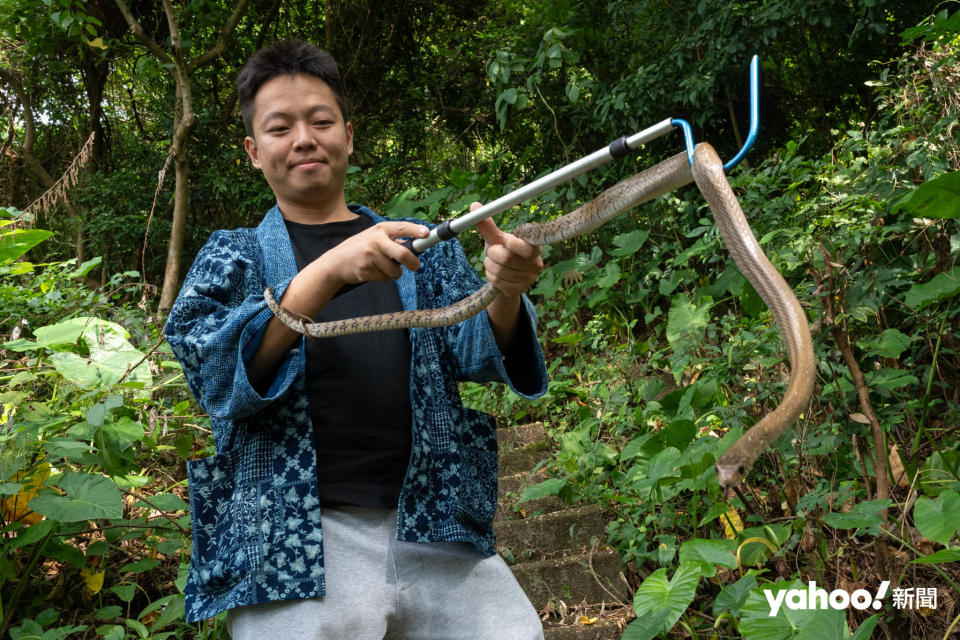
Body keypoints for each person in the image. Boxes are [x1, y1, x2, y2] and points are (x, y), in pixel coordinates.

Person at [164, 39, 549, 639]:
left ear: (349, 134)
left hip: (436, 524)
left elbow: (477, 348)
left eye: (321, 121)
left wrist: (505, 288)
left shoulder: (417, 245)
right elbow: (214, 376)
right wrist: (326, 272)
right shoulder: (230, 256)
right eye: (280, 127)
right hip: (292, 543)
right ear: (252, 150)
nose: (303, 139)